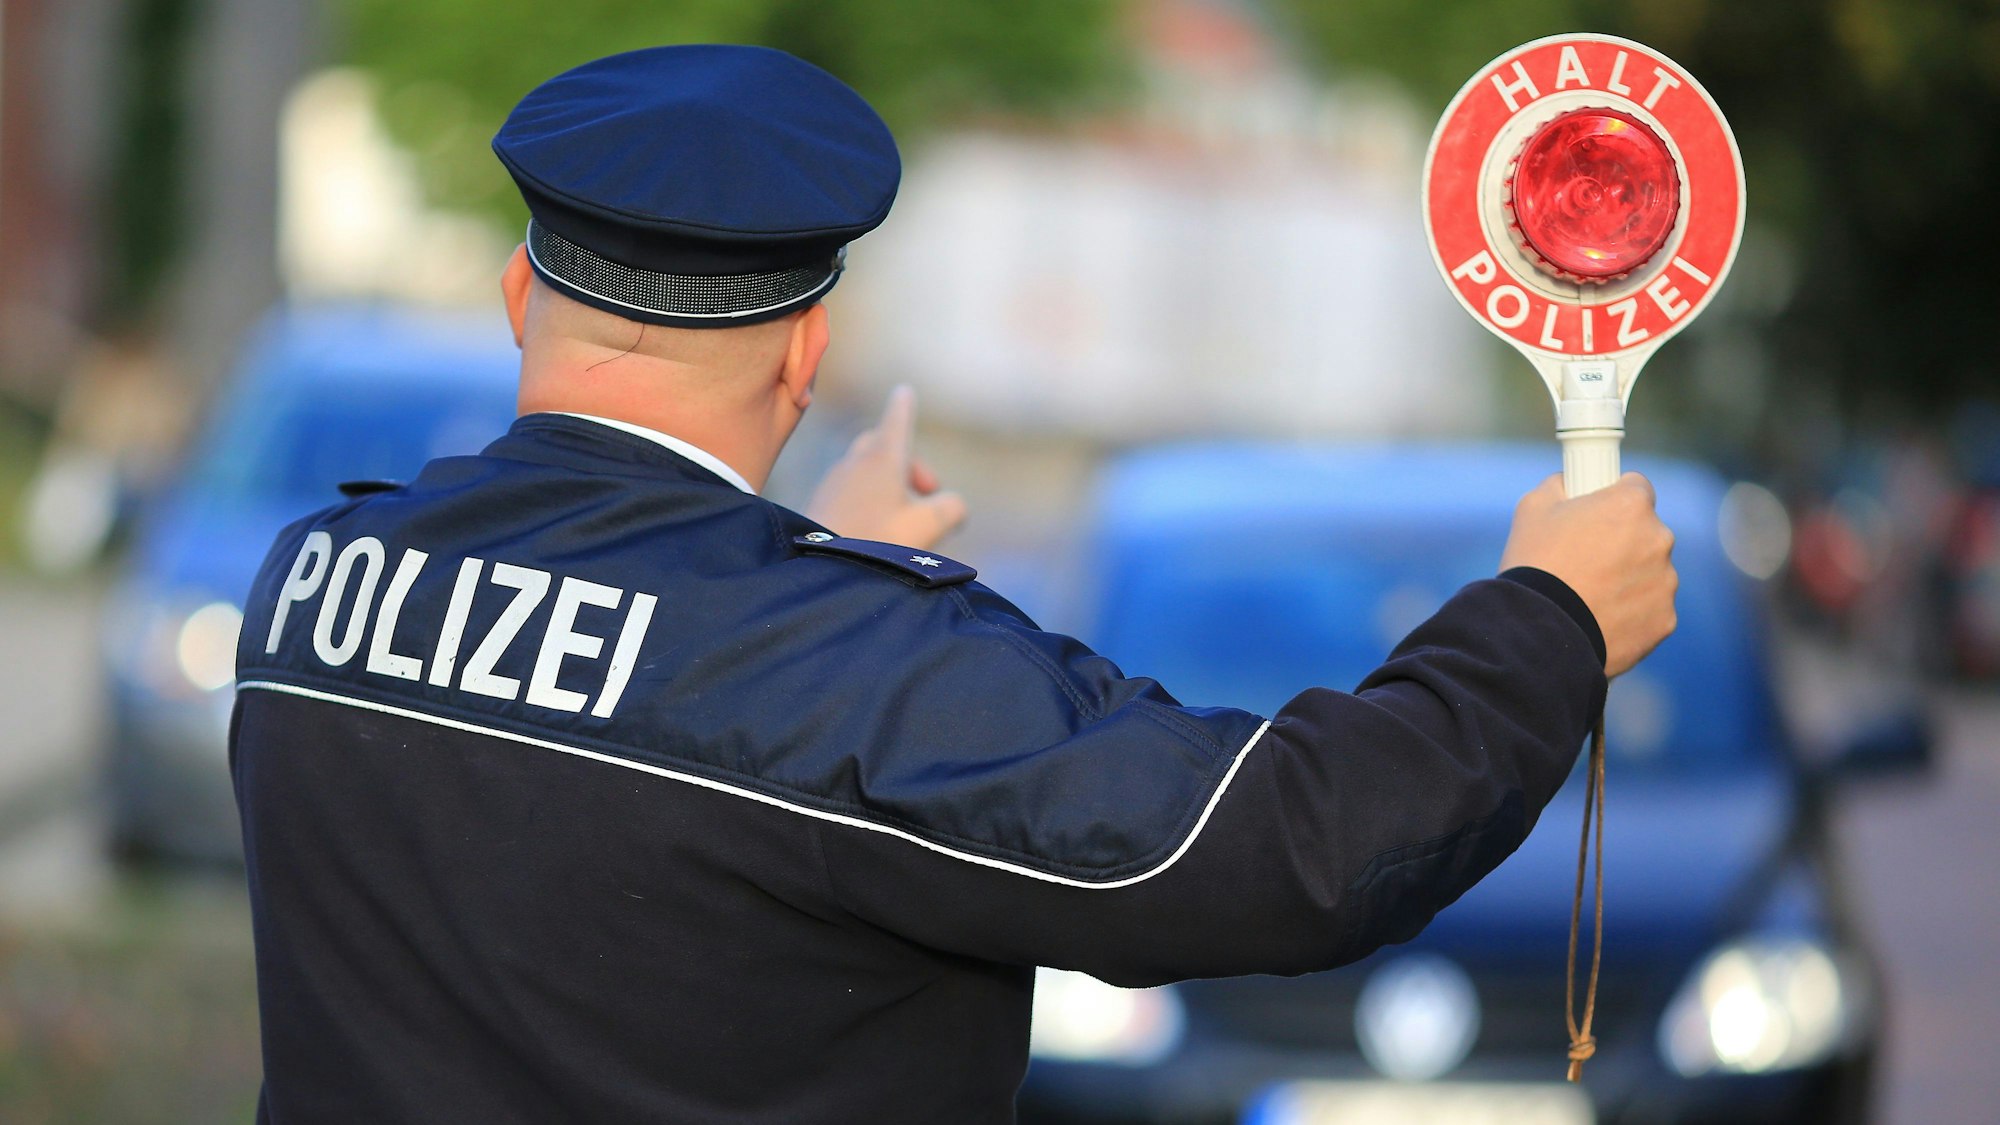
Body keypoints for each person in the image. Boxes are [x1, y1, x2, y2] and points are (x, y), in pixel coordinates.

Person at [230, 44, 1676, 1124]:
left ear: (516, 295)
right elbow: (1270, 851)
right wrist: (1545, 623)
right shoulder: (855, 672)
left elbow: (601, 745)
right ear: (807, 357)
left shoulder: (311, 586)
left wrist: (794, 569)